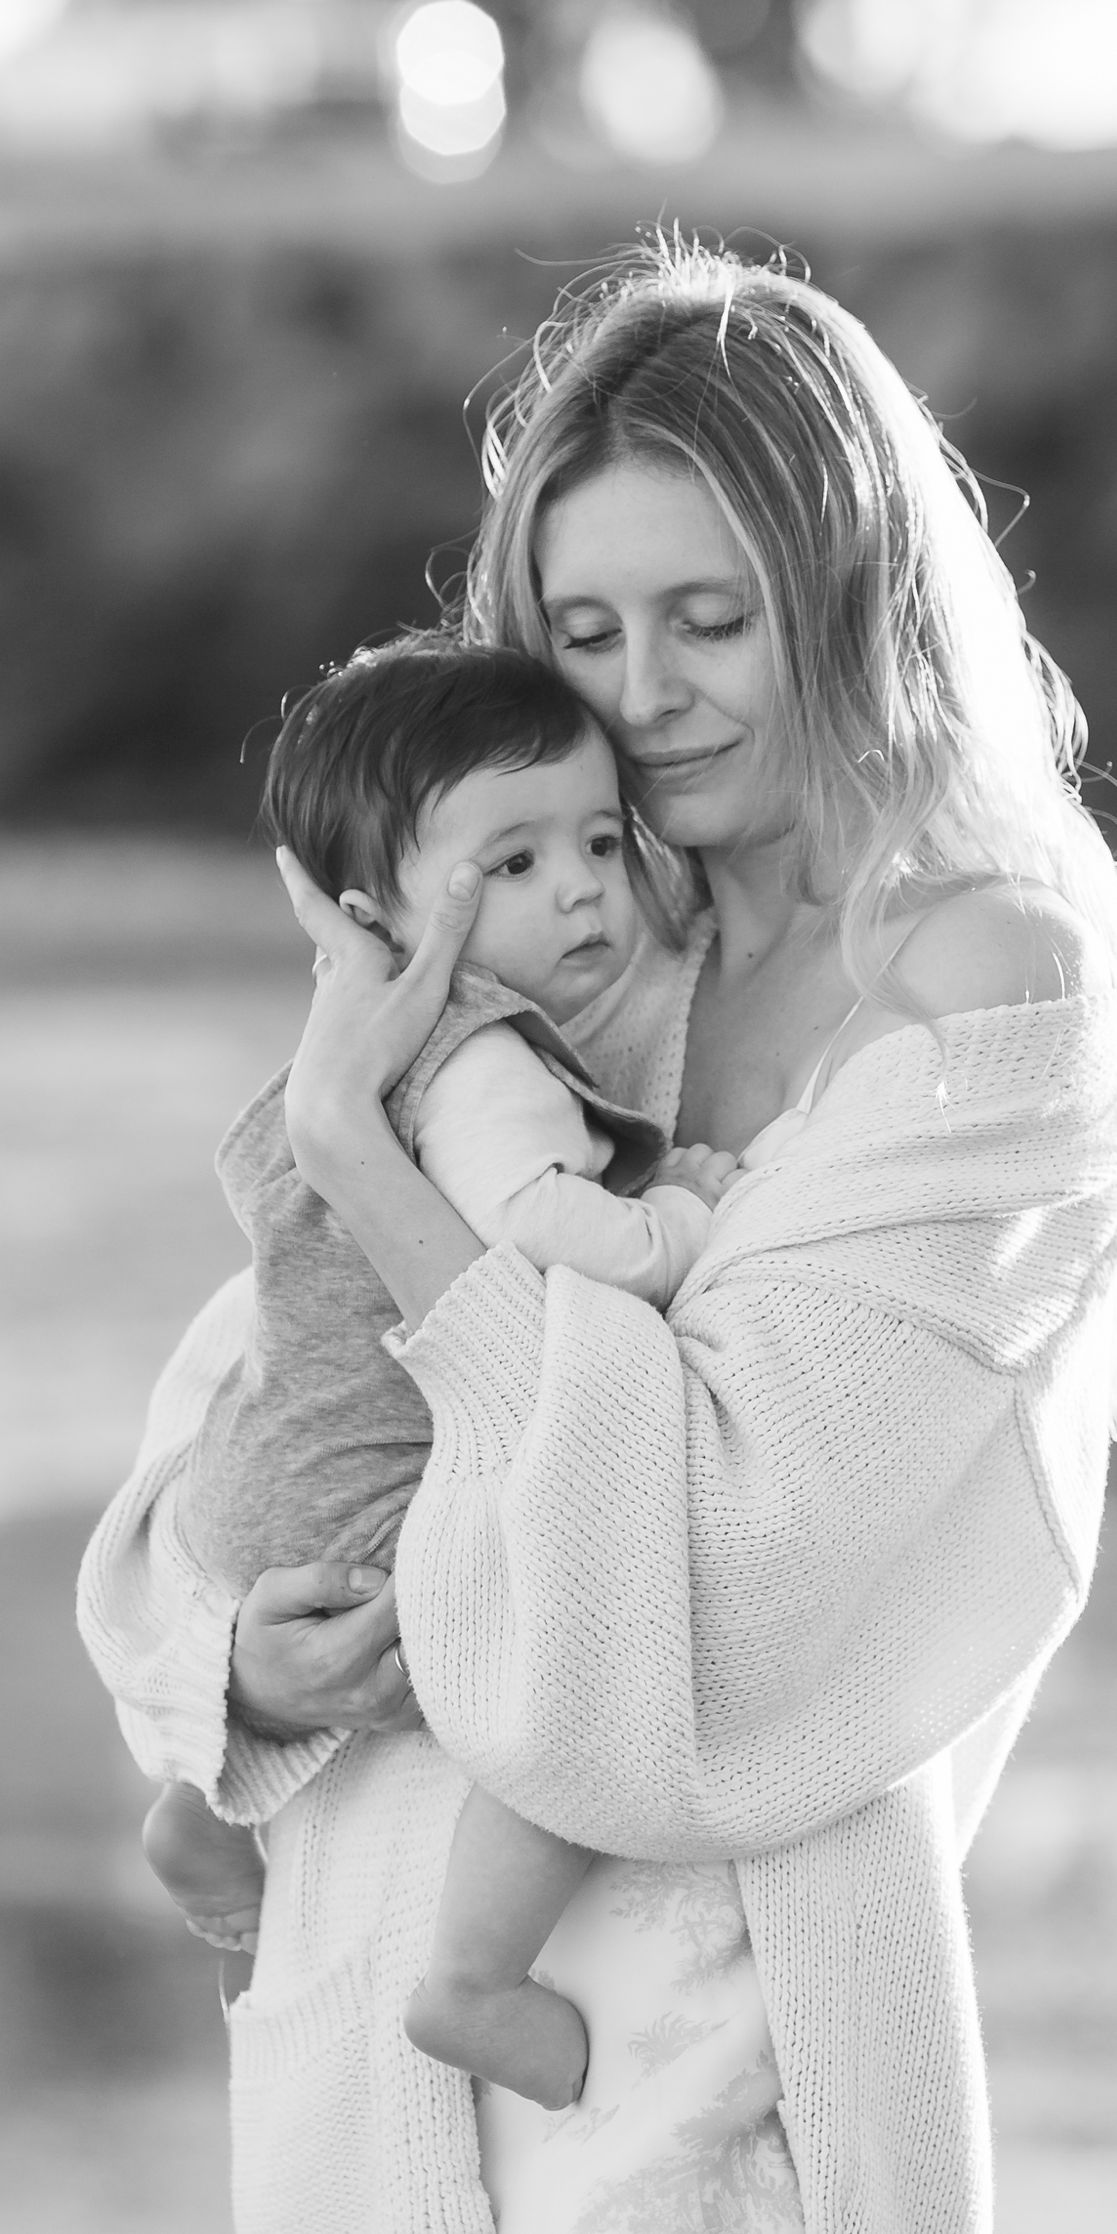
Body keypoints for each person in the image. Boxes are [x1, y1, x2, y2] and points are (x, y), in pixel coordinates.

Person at [77, 237, 1117, 2234]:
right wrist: (226, 1666)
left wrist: (363, 1146)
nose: (654, 687)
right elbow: (245, 1402)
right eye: (586, 633)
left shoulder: (989, 1001)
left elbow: (722, 1550)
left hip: (709, 2053)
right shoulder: (587, 938)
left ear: (854, 586)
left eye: (712, 616)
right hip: (386, 2030)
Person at [142, 635, 742, 2111]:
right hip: (368, 1490)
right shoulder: (484, 1062)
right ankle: (475, 1980)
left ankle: (194, 1817)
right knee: (561, 1671)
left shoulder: (363, 1057)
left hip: (265, 1474)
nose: (586, 887)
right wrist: (684, 1217)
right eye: (518, 865)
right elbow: (543, 1232)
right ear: (375, 920)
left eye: (600, 841)